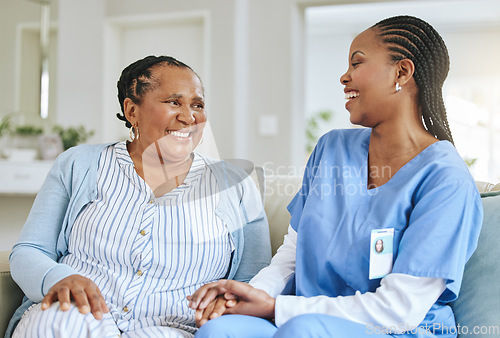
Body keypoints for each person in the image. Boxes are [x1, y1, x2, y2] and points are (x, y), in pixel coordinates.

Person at [187, 15, 483, 337]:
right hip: (303, 316)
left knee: (304, 330)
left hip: (394, 329)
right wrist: (247, 296)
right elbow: (292, 252)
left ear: (402, 72)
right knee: (220, 331)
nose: (344, 77)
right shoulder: (332, 148)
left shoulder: (445, 179)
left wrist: (278, 308)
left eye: (356, 63)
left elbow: (399, 310)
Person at [6, 55, 271, 338]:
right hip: (75, 314)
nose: (188, 116)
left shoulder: (235, 185)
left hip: (174, 327)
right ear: (132, 111)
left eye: (197, 105)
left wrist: (227, 300)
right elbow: (30, 250)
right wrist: (59, 279)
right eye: (173, 102)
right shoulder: (79, 164)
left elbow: (253, 280)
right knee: (61, 324)